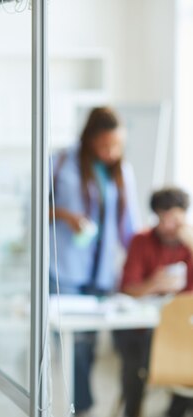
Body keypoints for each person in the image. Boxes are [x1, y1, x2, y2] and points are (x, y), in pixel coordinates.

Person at [49, 106, 140, 416]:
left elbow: (130, 229)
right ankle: (80, 407)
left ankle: (84, 405)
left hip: (102, 273)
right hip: (64, 270)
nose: (111, 152)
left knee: (95, 343)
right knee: (76, 346)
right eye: (104, 145)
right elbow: (34, 210)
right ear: (89, 139)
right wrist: (66, 215)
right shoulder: (61, 162)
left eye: (116, 145)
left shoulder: (121, 171)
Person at [114, 187, 193, 417]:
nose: (169, 227)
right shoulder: (141, 241)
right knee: (134, 360)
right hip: (144, 329)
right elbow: (127, 289)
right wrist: (154, 284)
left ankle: (176, 411)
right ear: (156, 217)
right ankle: (133, 411)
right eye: (163, 219)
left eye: (176, 220)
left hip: (183, 330)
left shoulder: (189, 243)